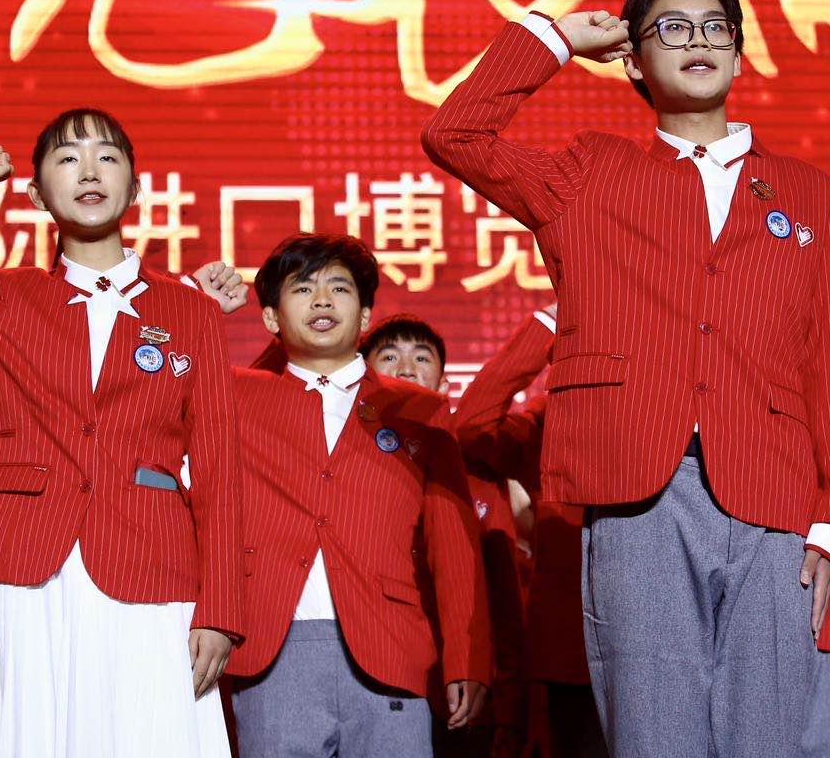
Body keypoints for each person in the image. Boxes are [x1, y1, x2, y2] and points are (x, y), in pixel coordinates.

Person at [422, 0, 830, 755]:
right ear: (633, 62)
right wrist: (555, 39)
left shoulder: (810, 193)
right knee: (655, 735)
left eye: (715, 27)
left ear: (739, 54)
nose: (697, 41)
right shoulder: (590, 173)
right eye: (672, 28)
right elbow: (455, 134)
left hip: (775, 489)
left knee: (766, 735)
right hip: (637, 483)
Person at [0, 109, 244, 757]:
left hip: (152, 571)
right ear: (34, 195)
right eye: (67, 158)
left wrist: (220, 610)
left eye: (107, 157)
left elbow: (221, 472)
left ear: (136, 188)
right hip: (29, 572)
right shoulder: (2, 302)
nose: (89, 171)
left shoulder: (189, 310)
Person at [226, 234, 489, 758]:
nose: (323, 300)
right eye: (303, 289)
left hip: (390, 645)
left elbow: (454, 546)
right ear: (272, 318)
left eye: (339, 288)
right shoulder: (236, 395)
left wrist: (467, 657)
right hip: (271, 646)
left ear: (366, 314)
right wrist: (199, 307)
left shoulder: (420, 410)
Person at [363, 312, 528, 757]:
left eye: (421, 357)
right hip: (377, 675)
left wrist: (509, 707)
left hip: (461, 697)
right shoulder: (344, 465)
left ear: (444, 384)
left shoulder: (476, 474)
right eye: (389, 356)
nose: (406, 368)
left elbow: (503, 600)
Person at [445, 305, 607, 758]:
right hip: (570, 648)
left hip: (660, 639)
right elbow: (472, 424)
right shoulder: (547, 422)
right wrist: (549, 324)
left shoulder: (664, 414)